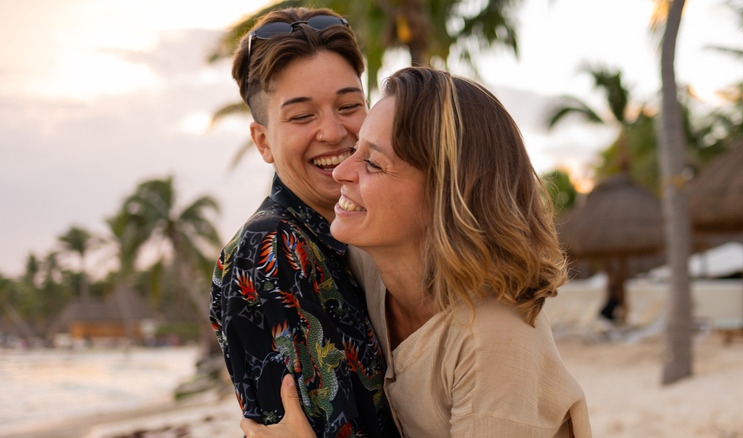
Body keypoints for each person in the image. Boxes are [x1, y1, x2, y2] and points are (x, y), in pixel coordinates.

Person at [241, 67, 592, 437]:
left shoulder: (494, 341)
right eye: (356, 150)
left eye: (372, 163)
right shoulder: (370, 266)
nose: (342, 171)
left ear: (445, 194)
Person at [209, 7, 397, 437]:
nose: (333, 132)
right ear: (263, 142)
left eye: (349, 106)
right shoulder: (271, 247)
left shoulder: (361, 236)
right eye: (301, 116)